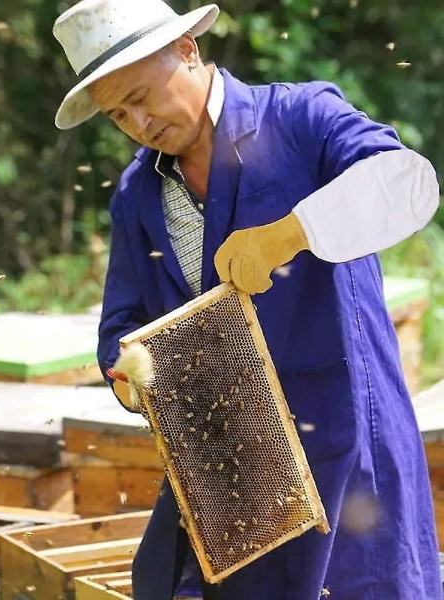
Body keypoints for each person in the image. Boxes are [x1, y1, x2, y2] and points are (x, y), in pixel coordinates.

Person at [53, 0, 442, 598]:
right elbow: (123, 322)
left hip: (349, 449)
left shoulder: (301, 118)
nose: (138, 121)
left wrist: (287, 235)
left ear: (186, 50)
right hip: (233, 470)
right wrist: (130, 376)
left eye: (141, 95)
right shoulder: (138, 192)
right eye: (118, 114)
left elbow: (408, 182)